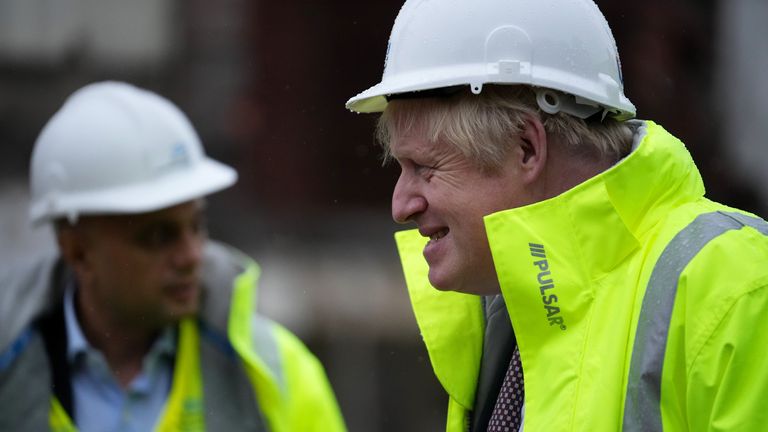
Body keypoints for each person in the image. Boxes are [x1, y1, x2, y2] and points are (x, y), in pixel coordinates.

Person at [346, 0, 768, 431]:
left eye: (425, 168)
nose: (401, 206)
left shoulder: (739, 288)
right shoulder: (499, 318)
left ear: (526, 148)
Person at [0, 81, 346, 431]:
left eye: (196, 225)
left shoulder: (278, 373)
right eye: (158, 236)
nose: (192, 255)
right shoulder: (9, 370)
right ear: (78, 251)